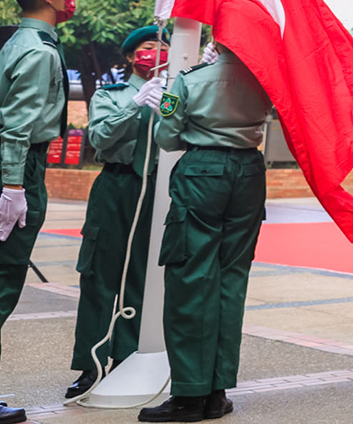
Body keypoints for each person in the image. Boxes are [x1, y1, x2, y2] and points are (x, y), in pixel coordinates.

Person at [138, 38, 273, 423]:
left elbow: (166, 138)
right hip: (249, 172)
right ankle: (217, 392)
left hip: (202, 172)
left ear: (216, 39)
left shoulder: (190, 79)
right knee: (231, 282)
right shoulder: (263, 79)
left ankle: (188, 396)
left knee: (190, 279)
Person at [0, 0, 72, 424]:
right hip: (13, 169)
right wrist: (14, 187)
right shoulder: (40, 52)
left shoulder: (17, 42)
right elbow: (18, 128)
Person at [68, 25, 166, 397]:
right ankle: (90, 366)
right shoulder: (111, 95)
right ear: (129, 57)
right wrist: (137, 103)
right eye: (147, 46)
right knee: (98, 276)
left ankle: (127, 359)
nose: (155, 52)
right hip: (117, 186)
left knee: (141, 278)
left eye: (163, 46)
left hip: (156, 189)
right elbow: (101, 137)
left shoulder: (172, 95)